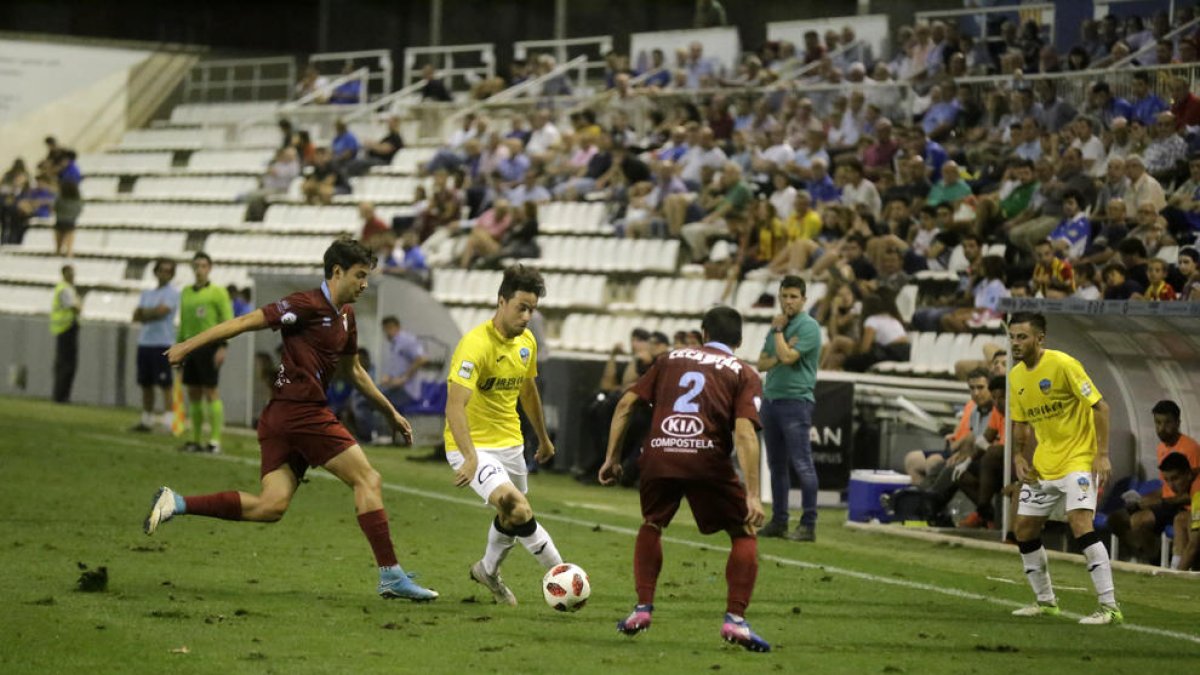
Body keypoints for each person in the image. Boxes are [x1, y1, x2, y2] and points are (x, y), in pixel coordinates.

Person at [142, 238, 437, 602]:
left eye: (367, 277)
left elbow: (354, 371)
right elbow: (246, 321)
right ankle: (391, 574)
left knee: (271, 506)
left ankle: (178, 502)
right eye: (359, 276)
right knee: (368, 478)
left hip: (281, 416)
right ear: (337, 272)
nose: (364, 284)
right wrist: (188, 346)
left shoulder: (346, 315)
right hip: (302, 412)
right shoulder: (305, 305)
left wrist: (389, 412)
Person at [600, 306, 768, 652]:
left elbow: (625, 404)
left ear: (703, 333)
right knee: (743, 531)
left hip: (659, 453)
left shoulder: (669, 359)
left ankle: (642, 608)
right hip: (707, 458)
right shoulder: (744, 372)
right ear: (739, 340)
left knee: (652, 523)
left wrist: (612, 459)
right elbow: (744, 432)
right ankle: (735, 620)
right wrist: (753, 494)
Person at [443, 265, 564, 606]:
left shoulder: (527, 342)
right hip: (472, 445)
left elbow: (528, 390)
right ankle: (562, 574)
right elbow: (454, 406)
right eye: (521, 307)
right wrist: (469, 457)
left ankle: (487, 571)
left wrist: (543, 438)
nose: (526, 316)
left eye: (532, 310)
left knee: (511, 517)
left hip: (511, 444)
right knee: (518, 507)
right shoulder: (474, 345)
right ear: (501, 301)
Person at [1007, 312, 1121, 625]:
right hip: (1044, 464)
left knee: (1080, 522)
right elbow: (1020, 421)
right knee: (1024, 530)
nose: (1016, 343)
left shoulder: (1064, 365)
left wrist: (1102, 454)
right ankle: (1045, 602)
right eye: (1012, 337)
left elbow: (1101, 407)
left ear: (1040, 338)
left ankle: (1109, 607)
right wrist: (1019, 455)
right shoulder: (1015, 376)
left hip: (1078, 459)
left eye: (1022, 337)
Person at [756, 276, 822, 541]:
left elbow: (784, 357)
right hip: (771, 399)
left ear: (804, 299)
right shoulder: (778, 327)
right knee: (776, 465)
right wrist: (781, 347)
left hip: (796, 400)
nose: (788, 301)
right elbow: (761, 363)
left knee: (802, 463)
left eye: (794, 296)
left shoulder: (808, 327)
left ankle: (808, 523)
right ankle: (779, 521)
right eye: (784, 296)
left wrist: (780, 336)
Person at [1109, 400, 1200, 562]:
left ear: (1178, 423)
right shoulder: (1161, 448)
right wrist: (1144, 499)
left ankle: (1152, 560)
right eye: (1158, 423)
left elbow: (1193, 492)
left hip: (1181, 506)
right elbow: (1165, 487)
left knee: (1138, 520)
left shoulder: (1191, 449)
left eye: (1167, 423)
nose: (1161, 428)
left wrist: (1158, 502)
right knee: (1116, 519)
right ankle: (1146, 554)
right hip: (1166, 503)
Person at [177, 253, 233, 453]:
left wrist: (223, 346)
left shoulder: (218, 292)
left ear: (209, 268)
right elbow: (183, 322)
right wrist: (179, 348)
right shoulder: (185, 292)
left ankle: (215, 440)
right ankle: (195, 439)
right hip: (190, 346)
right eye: (196, 265)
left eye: (203, 265)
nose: (199, 269)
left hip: (209, 345)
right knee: (193, 392)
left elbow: (228, 321)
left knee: (211, 391)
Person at [131, 259, 180, 432]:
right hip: (145, 342)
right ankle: (147, 418)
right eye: (162, 270)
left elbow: (162, 312)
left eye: (168, 271)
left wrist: (146, 313)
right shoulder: (147, 293)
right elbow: (136, 315)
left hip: (162, 343)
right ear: (156, 272)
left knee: (165, 383)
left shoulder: (173, 293)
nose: (164, 274)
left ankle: (168, 420)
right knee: (146, 383)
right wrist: (149, 313)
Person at [1159, 452, 1200, 570]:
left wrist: (1175, 577)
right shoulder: (1194, 477)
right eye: (1167, 480)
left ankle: (1176, 573)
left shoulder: (1198, 492)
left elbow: (1194, 545)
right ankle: (1174, 566)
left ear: (1188, 475)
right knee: (1181, 519)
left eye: (1175, 478)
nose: (1171, 485)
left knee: (1192, 525)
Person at [379, 316, 427, 412]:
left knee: (379, 403)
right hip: (397, 388)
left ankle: (375, 427)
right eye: (385, 330)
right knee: (372, 396)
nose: (387, 333)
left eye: (389, 329)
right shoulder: (395, 344)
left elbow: (421, 359)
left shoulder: (406, 340)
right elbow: (398, 368)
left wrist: (404, 378)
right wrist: (389, 377)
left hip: (407, 391)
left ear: (397, 327)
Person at [50, 264, 81, 404]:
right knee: (67, 364)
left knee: (64, 363)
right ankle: (61, 395)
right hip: (66, 327)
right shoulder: (65, 289)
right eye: (71, 273)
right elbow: (75, 307)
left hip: (63, 327)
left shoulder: (64, 288)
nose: (73, 276)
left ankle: (61, 395)